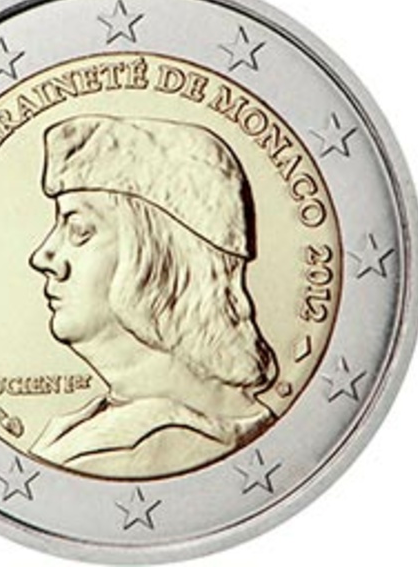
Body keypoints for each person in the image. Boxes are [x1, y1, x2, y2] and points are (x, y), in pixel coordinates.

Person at [28, 115, 279, 478]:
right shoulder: (89, 429)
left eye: (78, 229)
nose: (43, 257)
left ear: (160, 258)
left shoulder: (154, 446)